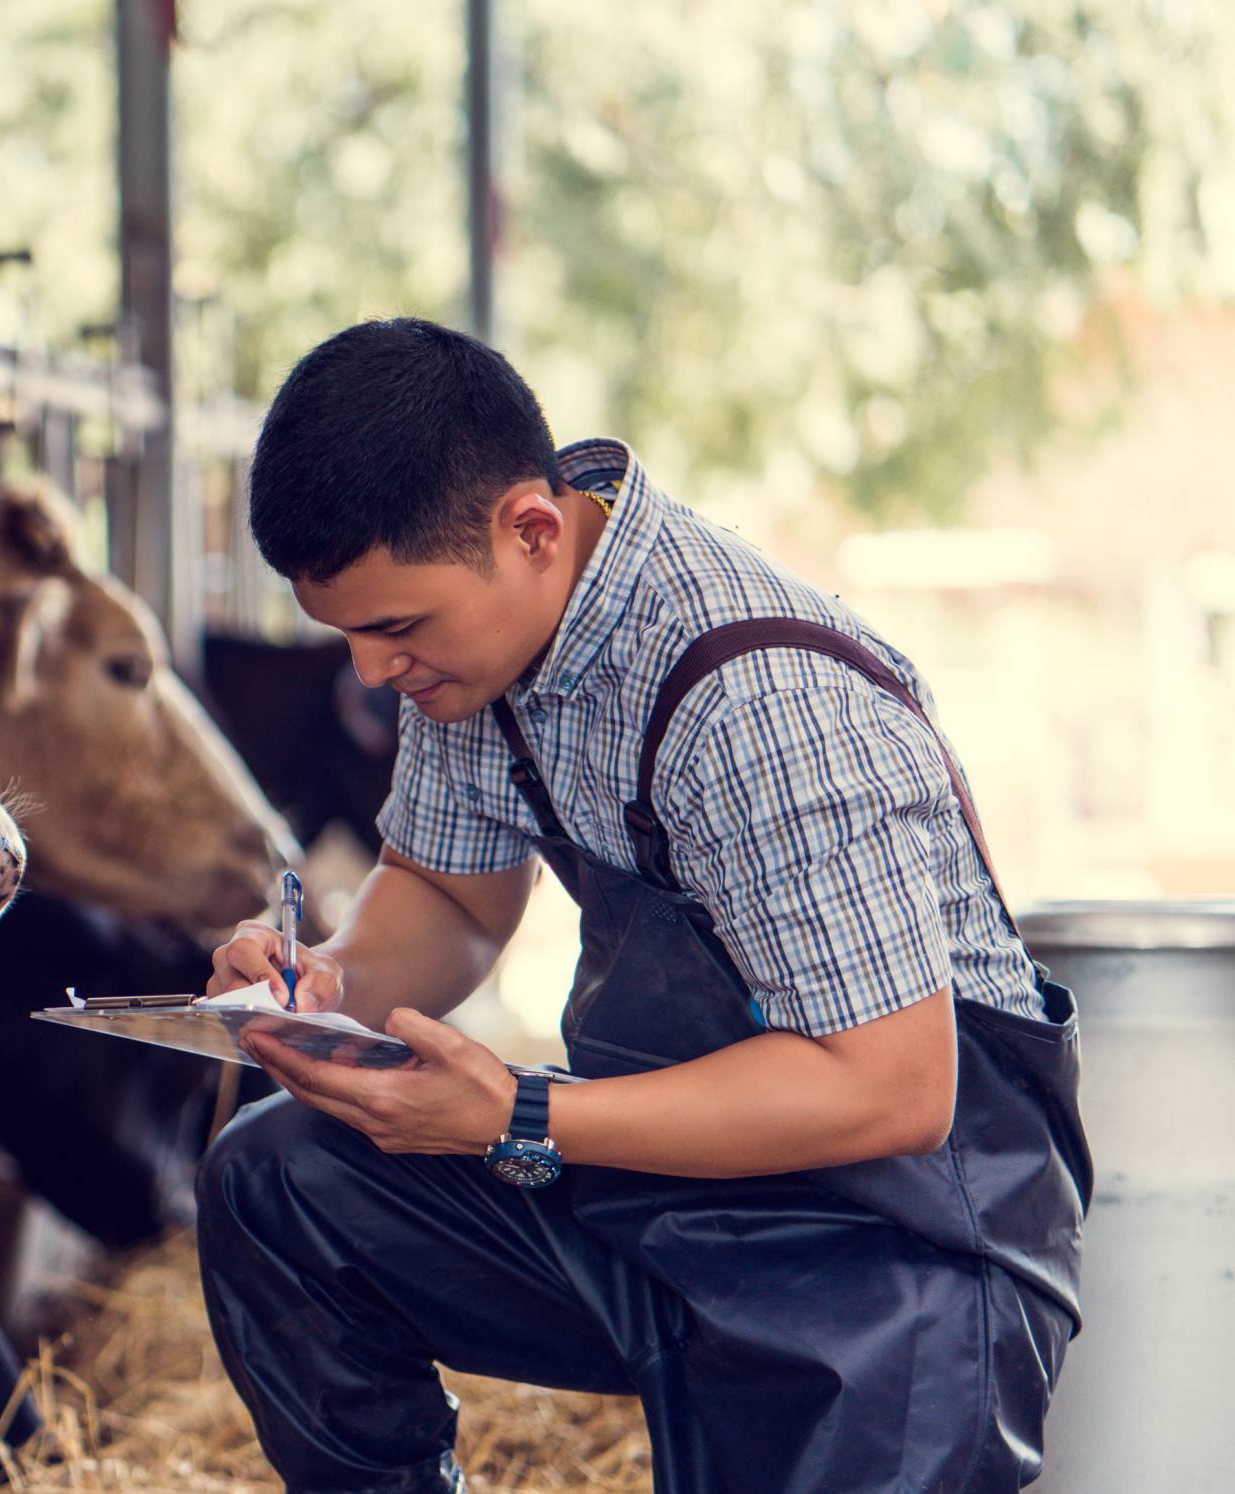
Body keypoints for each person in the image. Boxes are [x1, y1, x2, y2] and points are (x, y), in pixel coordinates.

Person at [196, 318, 1089, 1492]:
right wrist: (327, 984)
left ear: (529, 529)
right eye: (348, 634)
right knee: (280, 1175)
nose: (367, 674)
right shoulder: (484, 652)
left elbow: (892, 1089)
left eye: (393, 628)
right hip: (673, 1196)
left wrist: (518, 1115)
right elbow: (450, 901)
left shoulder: (759, 703)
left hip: (894, 1251)